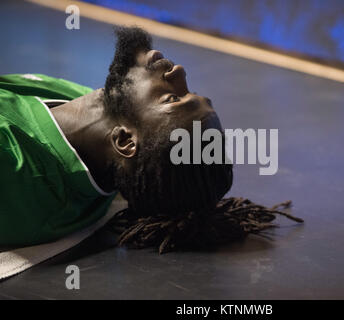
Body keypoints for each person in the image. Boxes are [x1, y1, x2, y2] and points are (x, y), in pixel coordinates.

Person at [0, 26, 301, 253]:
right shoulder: (91, 108)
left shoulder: (13, 170)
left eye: (172, 98)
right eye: (190, 91)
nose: (179, 72)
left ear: (125, 141)